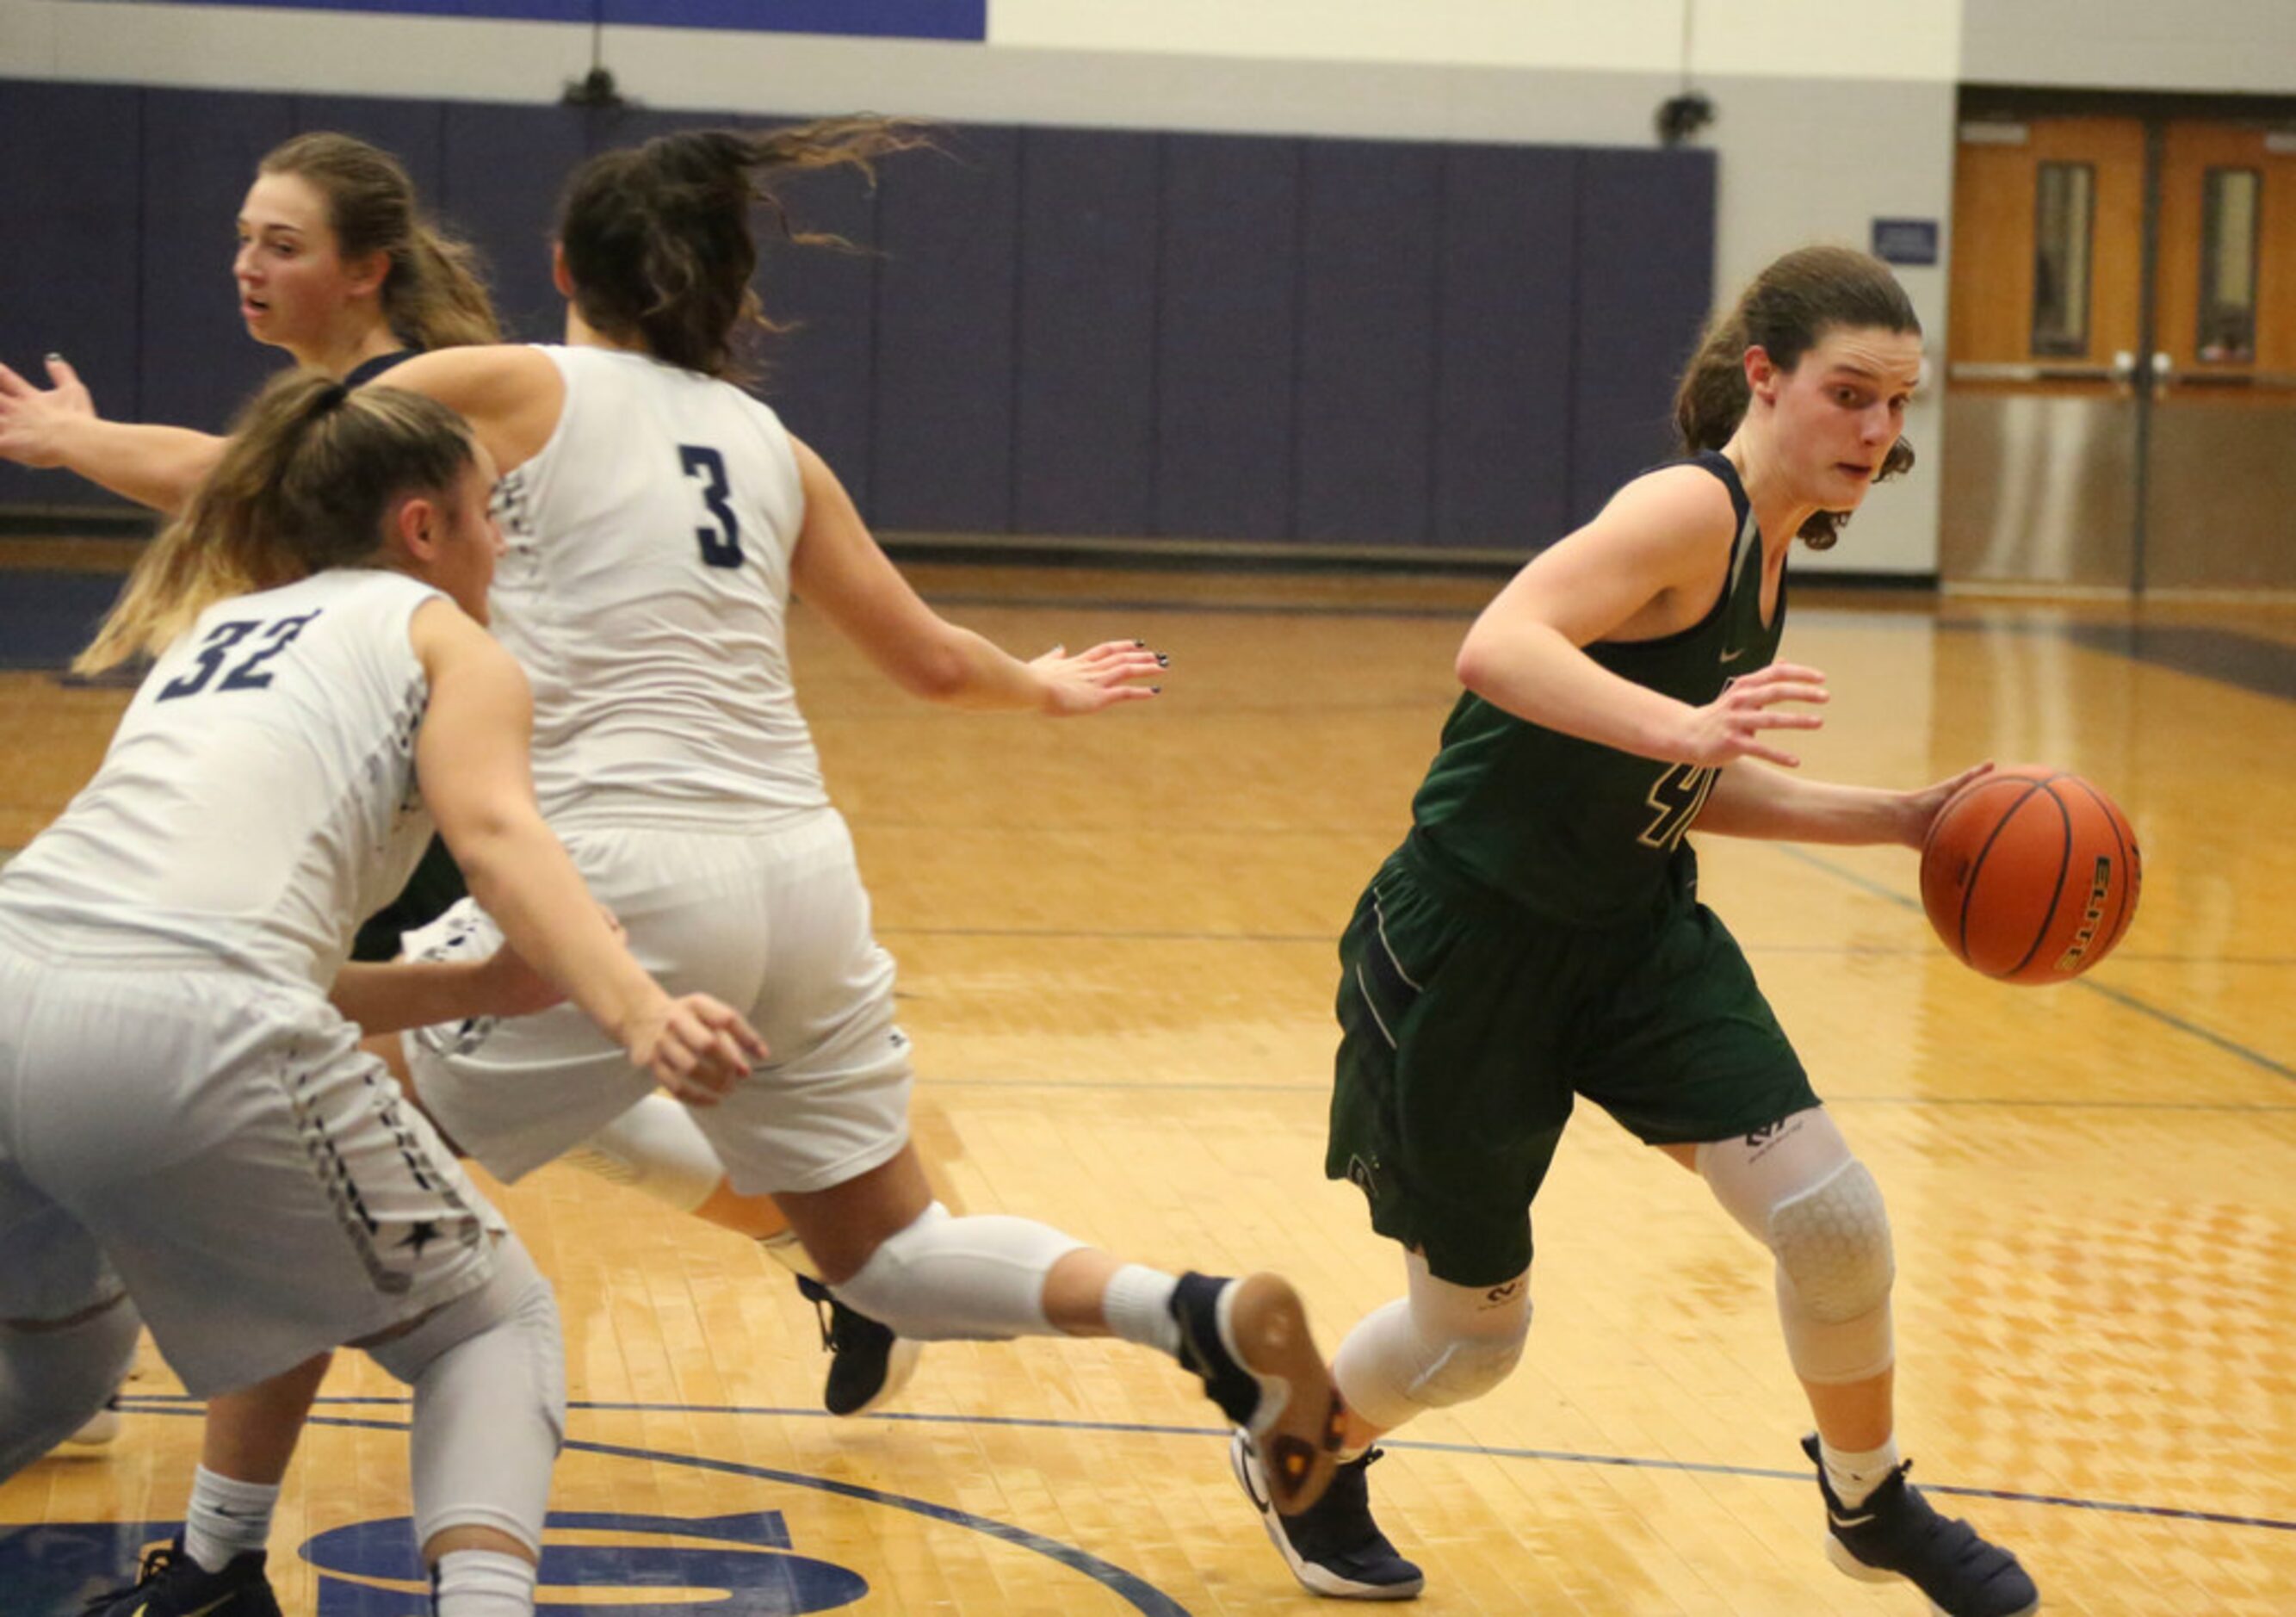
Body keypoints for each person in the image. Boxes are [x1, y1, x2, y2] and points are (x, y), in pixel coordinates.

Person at [356, 117, 1348, 1534]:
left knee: (305, 1069)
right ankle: (1181, 1308)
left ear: (566, 264)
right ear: (727, 289)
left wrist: (82, 445)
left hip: (615, 865)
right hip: (802, 878)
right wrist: (1046, 686)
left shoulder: (514, 380)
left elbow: (265, 473)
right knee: (884, 1256)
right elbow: (935, 659)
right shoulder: (772, 444)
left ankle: (189, 1452)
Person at [0, 129, 913, 1422]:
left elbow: (227, 484)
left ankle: (153, 1389)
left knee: (293, 1064)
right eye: (243, 240)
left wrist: (66, 444)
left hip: (424, 781)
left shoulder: (406, 397)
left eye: (283, 243)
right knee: (490, 1075)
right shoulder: (409, 386)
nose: (249, 266)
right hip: (410, 766)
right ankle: (825, 1251)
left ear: (365, 270)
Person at [1228, 245, 2040, 1617]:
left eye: (1900, 404)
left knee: (1836, 1223)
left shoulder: (1774, 551)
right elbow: (1499, 643)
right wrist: (1682, 721)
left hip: (1632, 938)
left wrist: (1898, 815)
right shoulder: (1686, 509)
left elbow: (1685, 779)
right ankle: (1295, 1447)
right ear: (1765, 376)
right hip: (1469, 951)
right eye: (1852, 393)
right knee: (1473, 1338)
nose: (1879, 430)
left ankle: (1870, 1496)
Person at [0, 371, 764, 1617]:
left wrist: (472, 984)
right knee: (486, 1327)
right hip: (187, 1025)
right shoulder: (445, 638)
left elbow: (191, 939)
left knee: (52, 1377)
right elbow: (501, 833)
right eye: (488, 514)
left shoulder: (222, 632)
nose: (503, 542)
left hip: (16, 979)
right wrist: (637, 1008)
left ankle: (216, 1576)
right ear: (423, 527)